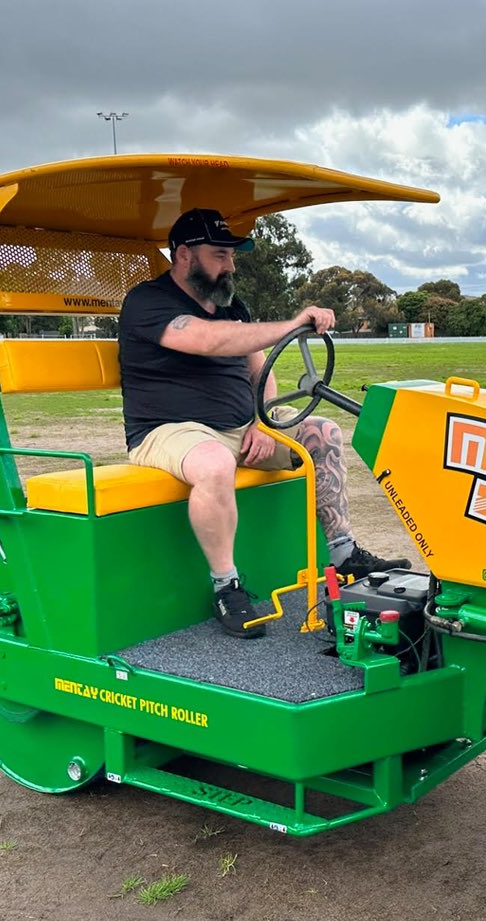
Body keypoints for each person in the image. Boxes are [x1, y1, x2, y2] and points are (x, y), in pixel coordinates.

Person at [118, 208, 410, 640]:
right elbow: (207, 340)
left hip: (239, 426)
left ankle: (343, 554)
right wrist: (291, 324)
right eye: (219, 254)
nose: (230, 265)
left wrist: (262, 419)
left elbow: (260, 368)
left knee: (322, 432)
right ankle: (226, 586)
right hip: (167, 430)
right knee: (216, 462)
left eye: (231, 256)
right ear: (183, 255)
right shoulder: (149, 302)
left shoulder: (231, 305)